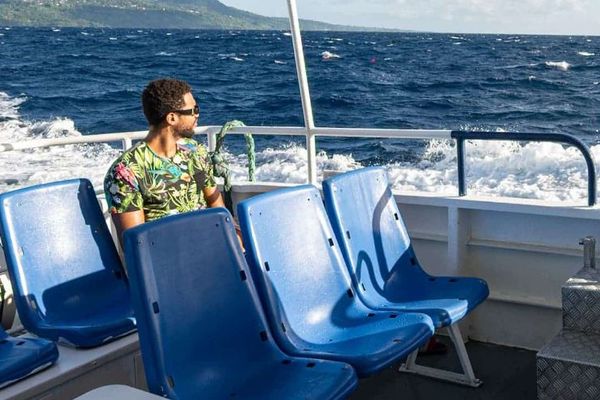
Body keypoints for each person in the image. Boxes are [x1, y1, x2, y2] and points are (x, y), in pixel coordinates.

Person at [104, 78, 228, 245]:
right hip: (165, 261)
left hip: (210, 246)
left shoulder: (195, 152)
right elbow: (136, 246)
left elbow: (217, 208)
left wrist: (234, 238)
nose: (197, 114)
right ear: (171, 118)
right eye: (193, 110)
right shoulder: (125, 172)